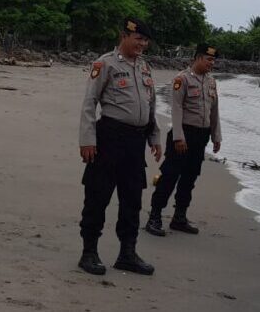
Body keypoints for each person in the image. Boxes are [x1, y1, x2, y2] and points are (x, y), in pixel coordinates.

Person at [77, 17, 162, 276]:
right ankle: (89, 252)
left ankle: (127, 254)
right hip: (109, 139)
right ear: (124, 36)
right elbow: (89, 103)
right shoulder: (105, 64)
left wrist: (154, 137)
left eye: (146, 41)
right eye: (138, 39)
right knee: (98, 196)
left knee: (132, 200)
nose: (142, 44)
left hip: (135, 143)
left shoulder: (144, 68)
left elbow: (150, 105)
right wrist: (87, 140)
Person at [145, 43, 222, 236]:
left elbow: (214, 111)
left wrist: (216, 136)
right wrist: (179, 137)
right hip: (183, 134)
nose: (211, 63)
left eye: (213, 60)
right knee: (169, 176)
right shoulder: (182, 79)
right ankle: (154, 216)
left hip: (201, 136)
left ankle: (179, 217)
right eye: (208, 59)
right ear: (198, 58)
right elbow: (177, 109)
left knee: (190, 177)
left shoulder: (211, 82)